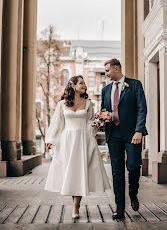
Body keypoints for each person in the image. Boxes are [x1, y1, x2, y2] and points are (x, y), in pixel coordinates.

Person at [45, 75, 110, 219]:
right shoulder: (62, 104)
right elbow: (57, 123)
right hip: (67, 141)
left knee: (80, 172)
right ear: (73, 86)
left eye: (84, 83)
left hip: (84, 140)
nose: (84, 85)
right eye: (81, 83)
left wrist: (96, 124)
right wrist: (50, 139)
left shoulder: (88, 103)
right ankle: (75, 204)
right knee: (71, 173)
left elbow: (91, 122)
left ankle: (75, 207)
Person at [101, 58, 147, 219]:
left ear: (116, 68)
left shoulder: (134, 85)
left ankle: (133, 193)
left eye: (107, 71)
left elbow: (142, 108)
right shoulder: (105, 90)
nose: (106, 74)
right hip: (113, 134)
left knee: (133, 166)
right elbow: (104, 111)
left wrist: (139, 131)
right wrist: (101, 119)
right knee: (116, 172)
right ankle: (119, 207)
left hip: (132, 134)